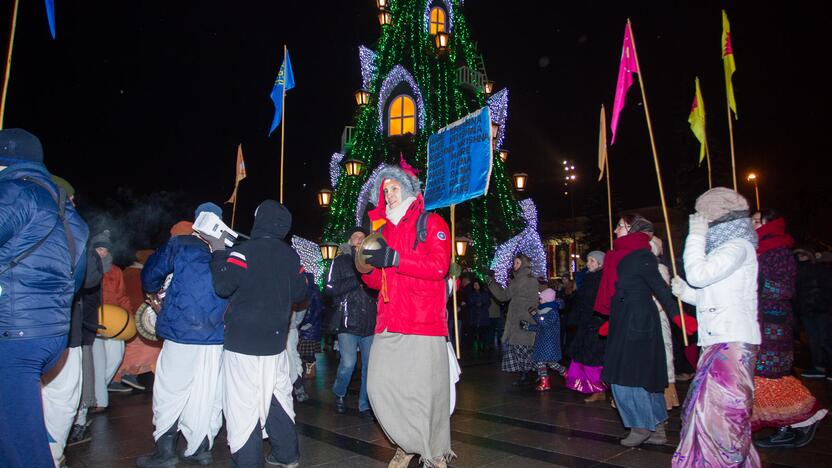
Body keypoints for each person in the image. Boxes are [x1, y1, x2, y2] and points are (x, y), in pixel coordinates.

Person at [0, 128, 89, 468]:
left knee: (18, 444)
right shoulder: (72, 217)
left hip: (13, 331)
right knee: (19, 431)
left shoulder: (15, 193)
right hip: (50, 333)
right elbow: (77, 278)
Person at [360, 164, 453, 468]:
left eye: (394, 188)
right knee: (378, 386)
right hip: (389, 321)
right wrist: (367, 266)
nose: (388, 195)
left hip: (423, 320)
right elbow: (377, 283)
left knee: (426, 394)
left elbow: (438, 267)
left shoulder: (431, 221)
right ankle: (408, 442)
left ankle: (434, 452)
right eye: (384, 191)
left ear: (409, 189)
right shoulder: (382, 231)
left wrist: (397, 258)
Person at [210, 200, 307, 468]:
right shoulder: (291, 256)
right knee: (277, 396)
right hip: (275, 343)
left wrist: (219, 252)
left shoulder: (244, 252)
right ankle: (287, 455)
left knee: (242, 405)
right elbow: (301, 292)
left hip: (243, 342)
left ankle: (248, 461)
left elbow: (223, 285)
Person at [670, 187, 761, 467]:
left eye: (702, 215)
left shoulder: (737, 247)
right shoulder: (726, 248)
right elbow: (708, 293)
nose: (699, 220)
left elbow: (699, 274)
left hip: (733, 343)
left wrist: (695, 237)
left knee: (721, 414)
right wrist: (684, 292)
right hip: (718, 341)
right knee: (706, 410)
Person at [136, 204, 229, 467]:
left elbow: (150, 275)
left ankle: (165, 452)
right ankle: (201, 448)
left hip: (181, 332)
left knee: (170, 389)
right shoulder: (226, 250)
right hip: (215, 336)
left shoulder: (180, 244)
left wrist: (156, 294)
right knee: (206, 391)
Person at [596, 214, 688, 447]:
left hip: (638, 324)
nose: (615, 230)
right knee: (643, 376)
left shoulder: (641, 255)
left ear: (633, 230)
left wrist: (678, 316)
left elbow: (661, 289)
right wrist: (611, 319)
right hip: (625, 321)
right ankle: (656, 428)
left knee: (625, 377)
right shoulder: (620, 256)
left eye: (620, 226)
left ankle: (641, 426)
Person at [750, 210, 827, 448]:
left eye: (755, 221)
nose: (751, 225)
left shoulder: (777, 250)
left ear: (767, 223)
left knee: (769, 374)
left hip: (773, 323)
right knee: (766, 374)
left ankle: (804, 417)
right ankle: (789, 424)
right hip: (763, 320)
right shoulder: (762, 249)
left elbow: (781, 289)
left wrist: (753, 287)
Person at [41, 177, 103, 466]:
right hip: (62, 330)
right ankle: (51, 457)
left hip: (14, 327)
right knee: (62, 396)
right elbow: (89, 277)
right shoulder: (71, 227)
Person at [324, 227, 377, 418]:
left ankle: (365, 404)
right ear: (349, 241)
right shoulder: (340, 261)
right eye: (355, 237)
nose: (359, 239)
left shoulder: (373, 262)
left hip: (370, 322)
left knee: (370, 366)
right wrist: (357, 279)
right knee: (349, 362)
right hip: (347, 321)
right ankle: (339, 392)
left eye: (362, 237)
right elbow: (329, 288)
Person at [89, 230, 132, 398]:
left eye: (105, 249)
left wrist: (129, 317)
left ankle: (99, 389)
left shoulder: (115, 271)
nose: (103, 252)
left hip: (115, 321)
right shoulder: (86, 267)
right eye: (99, 249)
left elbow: (122, 295)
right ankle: (96, 396)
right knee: (96, 362)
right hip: (94, 319)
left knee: (115, 357)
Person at [487, 255, 539, 386]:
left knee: (521, 348)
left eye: (517, 263)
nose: (514, 265)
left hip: (521, 319)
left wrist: (491, 282)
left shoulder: (521, 280)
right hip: (525, 318)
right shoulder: (529, 279)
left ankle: (528, 375)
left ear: (523, 264)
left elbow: (503, 296)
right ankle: (530, 374)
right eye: (514, 262)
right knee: (524, 348)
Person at [113, 249, 161, 390]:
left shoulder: (129, 272)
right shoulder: (135, 275)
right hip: (134, 321)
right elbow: (136, 299)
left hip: (130, 319)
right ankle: (122, 376)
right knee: (143, 350)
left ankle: (125, 376)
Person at [566, 251, 607, 403]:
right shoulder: (588, 278)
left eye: (592, 261)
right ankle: (588, 386)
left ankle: (599, 389)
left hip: (595, 323)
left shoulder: (601, 280)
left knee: (593, 357)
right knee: (582, 356)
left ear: (600, 264)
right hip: (585, 323)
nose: (588, 263)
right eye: (588, 260)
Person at [649, 236, 680, 410]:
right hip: (642, 318)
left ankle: (662, 402)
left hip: (656, 317)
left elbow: (661, 296)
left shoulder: (659, 268)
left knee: (661, 356)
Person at [792, 247, 832, 379]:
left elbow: (822, 289)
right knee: (815, 339)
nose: (800, 257)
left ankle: (825, 367)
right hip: (808, 310)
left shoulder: (819, 268)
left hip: (821, 310)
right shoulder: (798, 269)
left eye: (804, 254)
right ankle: (819, 367)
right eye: (799, 255)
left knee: (825, 339)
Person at [520, 288, 566, 392]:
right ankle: (558, 376)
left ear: (546, 300)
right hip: (543, 341)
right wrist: (528, 327)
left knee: (546, 362)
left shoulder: (552, 312)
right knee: (548, 362)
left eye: (540, 299)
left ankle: (554, 378)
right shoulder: (544, 311)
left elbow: (544, 323)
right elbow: (541, 327)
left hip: (549, 342)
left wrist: (535, 314)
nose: (539, 300)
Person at [297, 272, 323, 380]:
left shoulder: (314, 291)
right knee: (303, 352)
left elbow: (317, 309)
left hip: (310, 329)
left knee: (308, 353)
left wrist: (310, 323)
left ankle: (310, 371)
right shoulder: (304, 290)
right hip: (303, 326)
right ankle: (308, 371)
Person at [466, 280, 492, 353]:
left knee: (483, 331)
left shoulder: (484, 294)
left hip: (483, 315)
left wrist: (483, 304)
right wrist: (475, 304)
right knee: (475, 332)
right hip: (474, 316)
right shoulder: (471, 294)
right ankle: (477, 345)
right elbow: (470, 302)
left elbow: (488, 303)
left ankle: (484, 345)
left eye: (477, 284)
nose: (476, 286)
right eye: (475, 285)